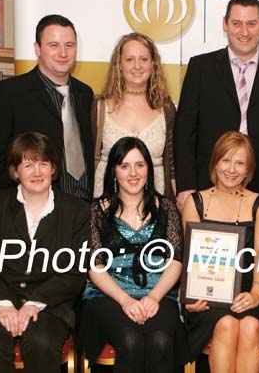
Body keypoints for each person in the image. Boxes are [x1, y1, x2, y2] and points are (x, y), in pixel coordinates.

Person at [0, 132, 89, 373]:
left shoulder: (77, 211)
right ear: (15, 171)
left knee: (40, 344)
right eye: (28, 165)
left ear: (54, 168)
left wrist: (34, 303)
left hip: (50, 301)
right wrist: (3, 305)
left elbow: (75, 270)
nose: (37, 172)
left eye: (43, 164)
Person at [174, 0, 259, 226]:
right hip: (207, 188)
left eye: (252, 24)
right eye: (237, 23)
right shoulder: (200, 68)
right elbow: (184, 132)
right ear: (225, 24)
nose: (245, 32)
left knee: (257, 260)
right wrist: (185, 187)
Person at [78, 136, 187, 373]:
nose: (133, 173)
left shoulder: (167, 208)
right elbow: (94, 267)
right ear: (113, 172)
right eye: (124, 166)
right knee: (131, 340)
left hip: (159, 294)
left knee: (160, 340)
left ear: (149, 168)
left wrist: (154, 298)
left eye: (140, 165)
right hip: (108, 296)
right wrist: (126, 300)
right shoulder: (97, 210)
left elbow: (175, 261)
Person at [182, 131, 259, 372]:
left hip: (248, 293)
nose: (232, 169)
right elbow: (189, 260)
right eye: (226, 160)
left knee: (250, 326)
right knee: (227, 324)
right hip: (206, 297)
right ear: (215, 162)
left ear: (249, 170)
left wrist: (257, 293)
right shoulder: (195, 202)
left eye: (240, 163)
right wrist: (191, 297)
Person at [0, 14, 94, 200]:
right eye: (54, 45)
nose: (63, 53)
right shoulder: (9, 93)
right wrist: (21, 202)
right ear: (37, 49)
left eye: (69, 45)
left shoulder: (85, 94)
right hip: (30, 211)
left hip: (82, 210)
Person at [92, 32, 176, 199]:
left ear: (153, 64)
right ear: (119, 64)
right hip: (108, 201)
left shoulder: (165, 108)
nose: (137, 66)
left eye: (144, 59)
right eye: (130, 59)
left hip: (156, 201)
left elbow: (172, 159)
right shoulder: (100, 107)